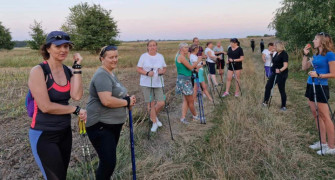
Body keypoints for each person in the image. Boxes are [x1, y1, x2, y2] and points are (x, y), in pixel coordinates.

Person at [28, 31, 87, 180]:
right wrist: (75, 109)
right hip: (44, 134)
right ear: (48, 48)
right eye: (58, 46)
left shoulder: (68, 70)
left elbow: (77, 96)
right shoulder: (39, 71)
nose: (63, 50)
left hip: (64, 132)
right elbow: (45, 106)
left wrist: (77, 67)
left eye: (66, 46)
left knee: (62, 175)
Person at [86, 45, 136, 179]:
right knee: (108, 163)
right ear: (102, 58)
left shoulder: (111, 73)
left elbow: (118, 94)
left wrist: (128, 99)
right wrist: (126, 102)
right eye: (111, 57)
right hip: (101, 125)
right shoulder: (102, 75)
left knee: (108, 161)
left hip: (112, 124)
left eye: (116, 56)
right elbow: (106, 100)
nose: (114, 60)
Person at [302, 32, 335, 155]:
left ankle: (332, 147)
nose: (313, 40)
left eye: (316, 39)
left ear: (322, 41)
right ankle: (323, 142)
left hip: (321, 86)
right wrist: (304, 55)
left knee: (325, 117)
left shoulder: (330, 55)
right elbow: (304, 67)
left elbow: (333, 73)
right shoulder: (315, 55)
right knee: (316, 115)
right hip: (311, 85)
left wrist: (319, 75)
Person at [136, 40, 167, 132]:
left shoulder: (160, 56)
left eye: (154, 45)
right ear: (147, 47)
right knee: (151, 103)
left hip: (158, 82)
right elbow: (138, 69)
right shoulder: (143, 56)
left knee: (161, 103)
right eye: (150, 45)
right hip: (146, 83)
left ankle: (152, 116)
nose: (152, 47)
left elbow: (164, 68)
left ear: (156, 47)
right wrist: (147, 73)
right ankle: (154, 122)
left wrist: (162, 71)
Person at [175, 42, 202, 124]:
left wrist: (196, 67)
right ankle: (195, 116)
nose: (187, 49)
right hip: (184, 80)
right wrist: (198, 61)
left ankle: (183, 118)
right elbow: (190, 67)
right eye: (185, 47)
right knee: (190, 100)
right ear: (181, 49)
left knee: (186, 100)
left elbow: (188, 68)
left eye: (187, 47)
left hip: (185, 79)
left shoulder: (183, 57)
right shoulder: (181, 57)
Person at [262, 41, 288, 111]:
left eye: (275, 46)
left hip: (281, 74)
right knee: (268, 86)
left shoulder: (284, 54)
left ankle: (283, 106)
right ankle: (265, 102)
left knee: (281, 89)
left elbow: (285, 66)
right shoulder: (276, 53)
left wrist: (280, 70)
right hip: (274, 73)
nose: (274, 47)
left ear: (278, 46)